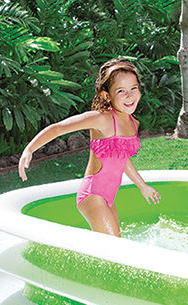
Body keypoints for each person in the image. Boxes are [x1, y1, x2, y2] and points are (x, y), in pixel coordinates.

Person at [18, 58, 160, 237]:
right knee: (114, 248)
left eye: (133, 88)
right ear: (106, 95)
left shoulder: (133, 123)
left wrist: (142, 186)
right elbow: (60, 127)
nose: (129, 96)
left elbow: (121, 159)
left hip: (108, 198)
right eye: (121, 91)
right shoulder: (101, 118)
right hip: (93, 194)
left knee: (116, 246)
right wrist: (30, 149)